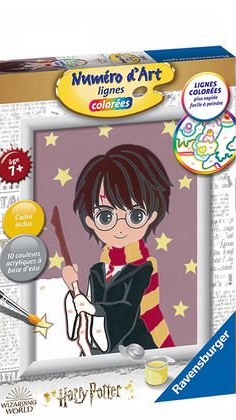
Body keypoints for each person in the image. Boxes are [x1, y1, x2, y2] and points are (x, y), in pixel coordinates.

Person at [62, 144, 175, 355]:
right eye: (106, 217)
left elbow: (127, 309)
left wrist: (91, 308)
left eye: (135, 216)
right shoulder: (97, 270)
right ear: (91, 221)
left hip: (136, 348)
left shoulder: (143, 268)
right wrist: (73, 290)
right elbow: (84, 316)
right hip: (101, 348)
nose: (120, 228)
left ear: (151, 217)